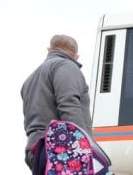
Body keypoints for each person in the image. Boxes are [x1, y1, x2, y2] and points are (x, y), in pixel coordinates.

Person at [21, 34, 92, 166]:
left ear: (49, 50)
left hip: (36, 150)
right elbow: (69, 106)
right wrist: (85, 148)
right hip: (60, 151)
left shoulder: (29, 80)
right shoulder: (67, 66)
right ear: (76, 56)